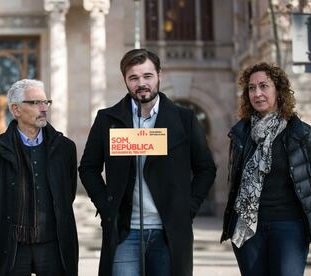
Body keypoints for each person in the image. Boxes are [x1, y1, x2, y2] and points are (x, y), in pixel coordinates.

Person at [79, 48, 216, 276]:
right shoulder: (107, 119)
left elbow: (206, 169)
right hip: (124, 233)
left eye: (147, 76)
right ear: (125, 80)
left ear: (159, 75)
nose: (141, 83)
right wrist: (105, 206)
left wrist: (188, 207)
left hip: (168, 232)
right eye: (133, 78)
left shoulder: (184, 119)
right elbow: (88, 169)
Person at [221, 62, 311, 276]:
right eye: (251, 88)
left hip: (290, 227)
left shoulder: (300, 133)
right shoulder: (241, 133)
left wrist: (307, 221)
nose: (257, 93)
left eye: (264, 86)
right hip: (248, 228)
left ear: (278, 91)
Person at [0, 79, 78, 276]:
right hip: (11, 247)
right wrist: (3, 224)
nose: (44, 108)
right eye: (36, 103)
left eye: (46, 102)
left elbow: (67, 193)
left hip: (53, 246)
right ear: (16, 110)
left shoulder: (65, 148)